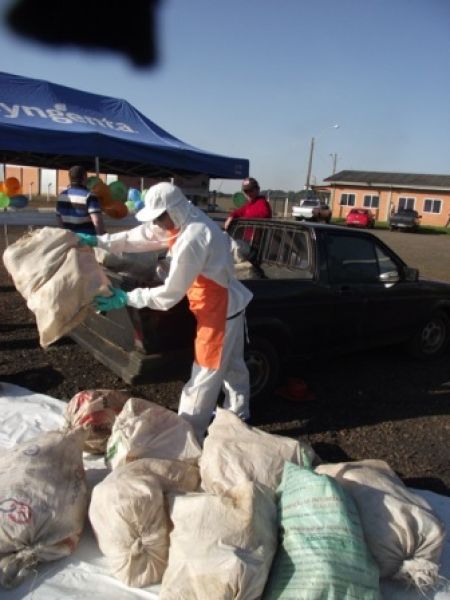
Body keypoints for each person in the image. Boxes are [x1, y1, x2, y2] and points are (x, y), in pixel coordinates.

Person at [77, 182, 253, 444]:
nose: (158, 223)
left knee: (204, 376)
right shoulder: (180, 219)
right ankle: (239, 416)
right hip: (229, 305)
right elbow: (143, 235)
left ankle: (186, 437)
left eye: (160, 217)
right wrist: (102, 241)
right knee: (234, 367)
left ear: (174, 210)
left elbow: (171, 293)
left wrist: (128, 297)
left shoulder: (194, 236)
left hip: (220, 313)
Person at [56, 165, 105, 235]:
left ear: (70, 178)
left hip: (68, 239)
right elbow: (97, 221)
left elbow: (59, 221)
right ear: (84, 177)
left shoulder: (61, 196)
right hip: (86, 240)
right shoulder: (89, 196)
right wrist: (101, 238)